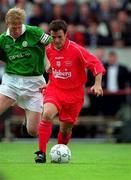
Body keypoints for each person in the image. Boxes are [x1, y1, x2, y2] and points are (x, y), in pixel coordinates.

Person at [34, 19, 106, 163]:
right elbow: (53, 69)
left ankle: (60, 151)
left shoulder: (76, 49)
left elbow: (96, 64)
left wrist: (97, 84)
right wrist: (49, 83)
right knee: (47, 114)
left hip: (74, 95)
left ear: (66, 35)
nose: (56, 40)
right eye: (53, 37)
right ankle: (41, 153)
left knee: (65, 130)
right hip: (55, 90)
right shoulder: (48, 50)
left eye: (60, 37)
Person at [0, 7, 52, 137]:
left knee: (33, 131)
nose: (16, 30)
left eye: (19, 27)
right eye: (13, 28)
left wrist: (49, 62)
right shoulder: (2, 40)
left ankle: (27, 118)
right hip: (11, 82)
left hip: (34, 84)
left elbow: (53, 45)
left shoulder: (34, 32)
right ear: (7, 23)